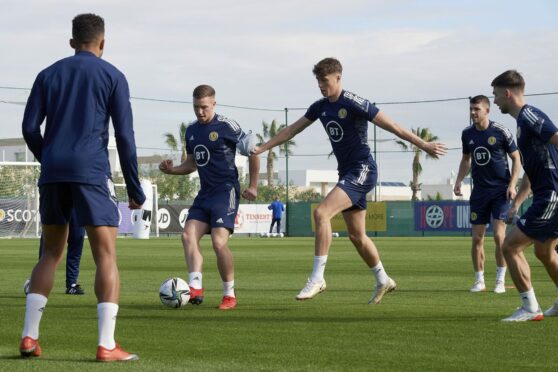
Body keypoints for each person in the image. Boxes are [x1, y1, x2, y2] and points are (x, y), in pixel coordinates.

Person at [253, 57, 447, 303]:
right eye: (318, 82)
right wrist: (263, 148)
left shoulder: (354, 102)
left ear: (338, 77)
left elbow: (393, 126)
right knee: (357, 236)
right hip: (347, 173)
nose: (322, 86)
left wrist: (423, 144)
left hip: (362, 169)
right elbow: (292, 130)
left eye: (325, 81)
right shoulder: (320, 107)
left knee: (321, 214)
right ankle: (383, 279)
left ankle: (317, 278)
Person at [20, 13, 145, 361]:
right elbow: (125, 137)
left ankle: (29, 337)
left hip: (53, 172)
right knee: (105, 255)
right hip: (91, 172)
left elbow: (30, 127)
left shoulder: (47, 74)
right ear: (102, 43)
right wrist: (135, 188)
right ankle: (106, 345)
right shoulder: (113, 76)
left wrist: (50, 157)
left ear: (72, 42)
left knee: (50, 254)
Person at [159, 84, 259, 310]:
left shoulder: (227, 126)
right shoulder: (192, 131)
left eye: (204, 107)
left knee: (218, 242)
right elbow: (191, 164)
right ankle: (195, 288)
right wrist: (171, 170)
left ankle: (229, 295)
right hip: (205, 193)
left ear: (214, 103)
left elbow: (254, 151)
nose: (200, 112)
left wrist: (253, 185)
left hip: (226, 192)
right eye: (196, 107)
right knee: (187, 236)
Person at [491, 70, 558, 322]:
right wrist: (517, 202)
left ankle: (530, 308)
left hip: (551, 196)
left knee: (510, 246)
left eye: (496, 95)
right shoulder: (522, 123)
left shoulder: (530, 115)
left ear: (508, 93)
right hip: (547, 193)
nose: (495, 100)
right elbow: (535, 166)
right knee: (544, 252)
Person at [454, 95, 521, 294]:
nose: (473, 112)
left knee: (499, 237)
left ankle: (500, 280)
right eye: (471, 109)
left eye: (477, 109)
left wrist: (512, 184)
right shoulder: (467, 134)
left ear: (487, 110)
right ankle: (479, 280)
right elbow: (466, 159)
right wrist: (458, 180)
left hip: (501, 192)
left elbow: (516, 159)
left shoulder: (501, 131)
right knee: (477, 239)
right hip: (479, 193)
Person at [24, 209, 86, 295]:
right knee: (49, 243)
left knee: (77, 239)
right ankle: (39, 280)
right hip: (58, 202)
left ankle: (72, 284)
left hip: (78, 205)